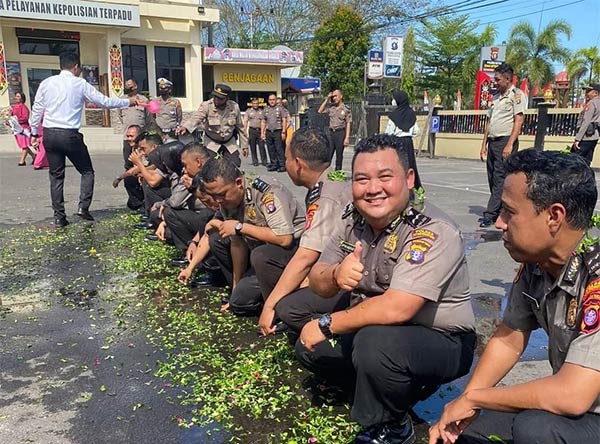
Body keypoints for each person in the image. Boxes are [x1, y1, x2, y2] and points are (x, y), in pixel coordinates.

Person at [296, 133, 476, 444]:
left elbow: (397, 307)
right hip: (384, 329)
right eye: (362, 179)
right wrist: (337, 274)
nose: (373, 189)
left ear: (408, 179)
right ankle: (382, 388)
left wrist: (327, 324)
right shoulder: (353, 218)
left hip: (443, 341)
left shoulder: (432, 230)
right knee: (309, 349)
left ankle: (392, 425)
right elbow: (317, 278)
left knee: (372, 344)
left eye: (385, 177)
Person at [429, 150, 600, 444]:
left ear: (554, 216)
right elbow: (510, 336)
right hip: (580, 411)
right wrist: (468, 401)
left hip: (584, 407)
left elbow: (572, 395)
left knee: (536, 430)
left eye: (509, 211)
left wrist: (475, 399)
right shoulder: (539, 262)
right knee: (465, 431)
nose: (498, 222)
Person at [179, 157, 305, 314]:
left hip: (291, 252)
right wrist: (235, 287)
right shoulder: (226, 201)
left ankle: (281, 306)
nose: (218, 201)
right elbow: (237, 244)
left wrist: (240, 227)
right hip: (260, 255)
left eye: (221, 194)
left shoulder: (266, 191)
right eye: (214, 196)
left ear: (238, 183)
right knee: (238, 301)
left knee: (260, 255)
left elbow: (284, 238)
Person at [258, 127, 352, 336]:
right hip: (329, 264)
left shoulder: (326, 197)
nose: (285, 164)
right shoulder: (325, 185)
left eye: (286, 159)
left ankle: (330, 330)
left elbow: (307, 257)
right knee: (264, 256)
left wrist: (270, 305)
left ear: (298, 164)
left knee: (288, 308)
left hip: (344, 277)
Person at [29, 51, 137, 227]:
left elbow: (37, 109)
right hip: (69, 134)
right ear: (76, 67)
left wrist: (34, 132)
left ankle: (59, 217)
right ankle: (83, 208)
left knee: (56, 176)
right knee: (87, 171)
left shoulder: (46, 83)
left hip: (49, 133)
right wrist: (128, 102)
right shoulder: (80, 84)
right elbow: (104, 102)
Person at [479, 63, 526, 228]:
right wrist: (484, 144)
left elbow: (518, 121)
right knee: (492, 177)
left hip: (505, 141)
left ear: (507, 79)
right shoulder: (496, 97)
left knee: (500, 178)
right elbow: (489, 122)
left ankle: (490, 214)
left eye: (498, 79)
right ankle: (498, 210)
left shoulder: (517, 96)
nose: (495, 82)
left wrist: (510, 144)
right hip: (493, 142)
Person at [177, 84, 249, 167]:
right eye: (215, 97)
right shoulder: (206, 106)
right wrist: (185, 127)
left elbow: (240, 127)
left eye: (220, 98)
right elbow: (196, 117)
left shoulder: (234, 107)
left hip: (229, 142)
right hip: (212, 143)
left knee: (234, 165)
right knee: (210, 166)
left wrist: (245, 146)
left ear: (227, 98)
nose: (216, 100)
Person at [384, 90, 423, 190]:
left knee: (398, 164)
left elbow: (389, 131)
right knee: (410, 163)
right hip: (408, 142)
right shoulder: (411, 114)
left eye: (394, 99)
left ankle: (398, 184)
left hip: (397, 142)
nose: (393, 101)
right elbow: (416, 131)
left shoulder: (394, 115)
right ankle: (413, 185)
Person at [112, 124, 145, 211]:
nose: (129, 139)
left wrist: (120, 177)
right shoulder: (132, 147)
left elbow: (139, 167)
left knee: (129, 176)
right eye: (127, 136)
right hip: (140, 176)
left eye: (131, 136)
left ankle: (144, 205)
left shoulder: (144, 148)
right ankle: (137, 203)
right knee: (129, 178)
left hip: (152, 177)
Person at [318, 89, 352, 171]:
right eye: (333, 96)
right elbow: (320, 110)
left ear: (341, 96)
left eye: (336, 96)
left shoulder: (346, 109)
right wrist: (327, 98)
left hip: (340, 133)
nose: (334, 98)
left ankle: (338, 172)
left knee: (339, 155)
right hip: (331, 133)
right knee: (328, 154)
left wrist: (347, 137)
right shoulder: (331, 108)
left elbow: (348, 123)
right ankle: (326, 171)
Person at [119, 78, 150, 156]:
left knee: (142, 160)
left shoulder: (143, 100)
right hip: (128, 137)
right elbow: (120, 116)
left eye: (129, 85)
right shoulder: (122, 100)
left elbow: (149, 118)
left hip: (140, 137)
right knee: (128, 161)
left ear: (135, 86)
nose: (127, 87)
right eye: (126, 86)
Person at [572, 82, 600, 165]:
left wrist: (578, 139)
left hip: (586, 136)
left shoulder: (591, 103)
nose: (586, 93)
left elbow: (586, 122)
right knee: (587, 159)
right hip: (595, 136)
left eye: (589, 91)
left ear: (595, 93)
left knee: (573, 159)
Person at [261, 94, 288, 172]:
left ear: (276, 100)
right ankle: (274, 164)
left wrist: (283, 132)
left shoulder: (280, 109)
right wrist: (262, 133)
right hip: (269, 131)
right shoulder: (266, 109)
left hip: (278, 131)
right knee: (270, 149)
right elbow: (263, 121)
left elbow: (284, 120)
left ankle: (282, 165)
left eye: (273, 100)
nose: (272, 101)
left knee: (279, 149)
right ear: (268, 100)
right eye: (270, 100)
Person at [8, 91, 36, 166]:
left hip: (23, 129)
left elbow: (25, 118)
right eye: (16, 96)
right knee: (24, 145)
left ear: (22, 98)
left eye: (18, 96)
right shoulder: (14, 107)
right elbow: (12, 117)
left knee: (24, 145)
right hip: (16, 129)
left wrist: (16, 120)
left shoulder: (24, 107)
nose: (16, 98)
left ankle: (22, 161)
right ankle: (34, 156)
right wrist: (10, 120)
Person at [244, 98, 268, 166]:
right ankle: (255, 161)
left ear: (258, 104)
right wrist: (245, 130)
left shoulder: (261, 111)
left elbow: (263, 122)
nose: (255, 105)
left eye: (257, 103)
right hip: (252, 130)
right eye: (254, 103)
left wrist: (262, 133)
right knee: (252, 146)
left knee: (262, 146)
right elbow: (245, 121)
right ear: (252, 104)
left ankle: (264, 162)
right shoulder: (248, 111)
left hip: (259, 130)